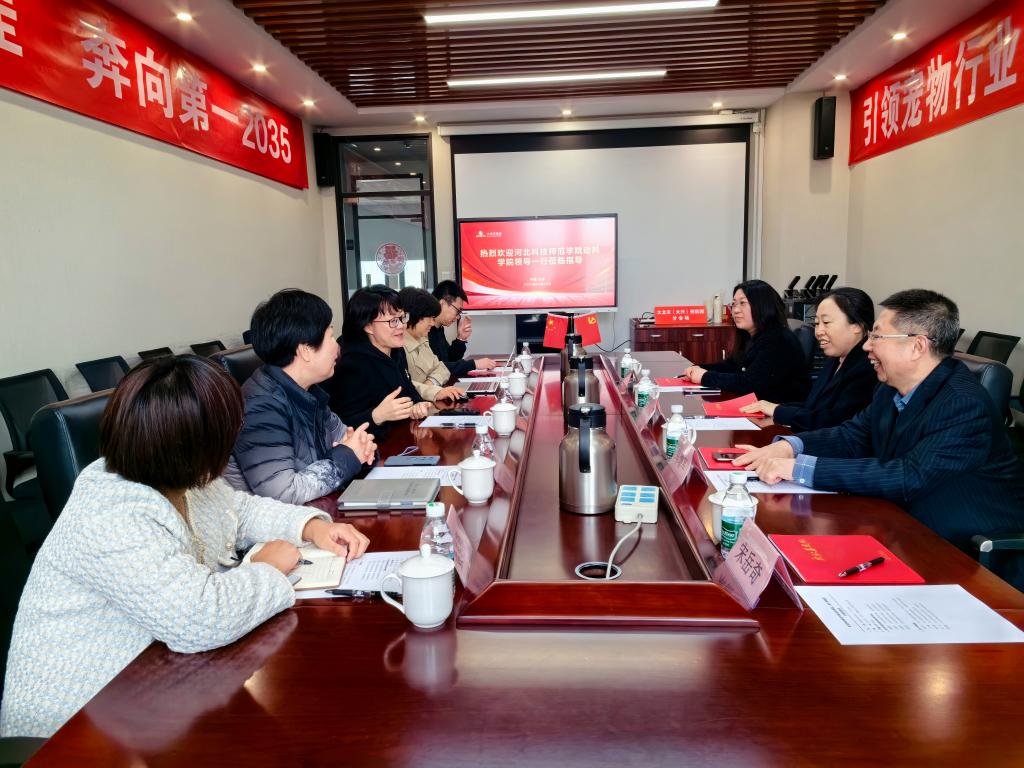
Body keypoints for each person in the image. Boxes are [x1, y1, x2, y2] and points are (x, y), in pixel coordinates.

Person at [0, 356, 371, 738]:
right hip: (72, 727)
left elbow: (239, 510)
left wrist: (310, 527)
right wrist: (268, 569)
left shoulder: (176, 474)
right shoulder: (110, 512)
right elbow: (201, 619)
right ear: (191, 444)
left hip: (151, 688)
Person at [736, 289, 1024, 571]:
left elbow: (908, 476)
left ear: (917, 346)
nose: (867, 346)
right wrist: (788, 446)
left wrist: (798, 468)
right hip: (898, 525)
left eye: (877, 336)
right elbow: (851, 435)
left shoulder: (963, 403)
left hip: (960, 552)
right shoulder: (889, 389)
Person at [225, 289, 376, 505]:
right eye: (330, 336)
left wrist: (361, 450)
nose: (337, 346)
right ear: (305, 350)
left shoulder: (308, 392)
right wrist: (349, 456)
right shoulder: (260, 406)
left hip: (317, 510)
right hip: (275, 524)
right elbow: (282, 493)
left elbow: (351, 441)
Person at [739, 287, 878, 430]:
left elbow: (834, 421)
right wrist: (771, 407)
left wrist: (777, 410)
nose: (818, 332)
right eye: (817, 323)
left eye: (826, 323)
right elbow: (812, 406)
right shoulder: (836, 358)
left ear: (857, 326)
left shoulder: (867, 368)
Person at [326, 285, 434, 438]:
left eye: (402, 317)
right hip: (372, 447)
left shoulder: (396, 350)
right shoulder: (351, 364)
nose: (402, 326)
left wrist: (418, 404)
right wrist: (377, 415)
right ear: (368, 326)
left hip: (402, 438)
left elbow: (409, 391)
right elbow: (340, 426)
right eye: (393, 321)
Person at [683, 279, 810, 403]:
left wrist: (705, 376)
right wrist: (699, 368)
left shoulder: (778, 340)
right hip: (756, 405)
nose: (735, 310)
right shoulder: (751, 336)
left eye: (742, 303)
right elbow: (732, 366)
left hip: (777, 412)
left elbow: (751, 384)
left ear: (763, 305)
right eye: (734, 304)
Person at [399, 287, 466, 402]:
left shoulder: (422, 339)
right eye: (429, 318)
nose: (432, 322)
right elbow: (403, 386)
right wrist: (432, 390)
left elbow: (442, 368)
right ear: (415, 316)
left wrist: (430, 384)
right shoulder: (397, 346)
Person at [428, 280, 496, 378]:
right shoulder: (424, 331)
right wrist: (474, 364)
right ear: (442, 304)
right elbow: (436, 368)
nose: (458, 317)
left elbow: (450, 360)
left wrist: (460, 339)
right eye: (458, 311)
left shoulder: (439, 329)